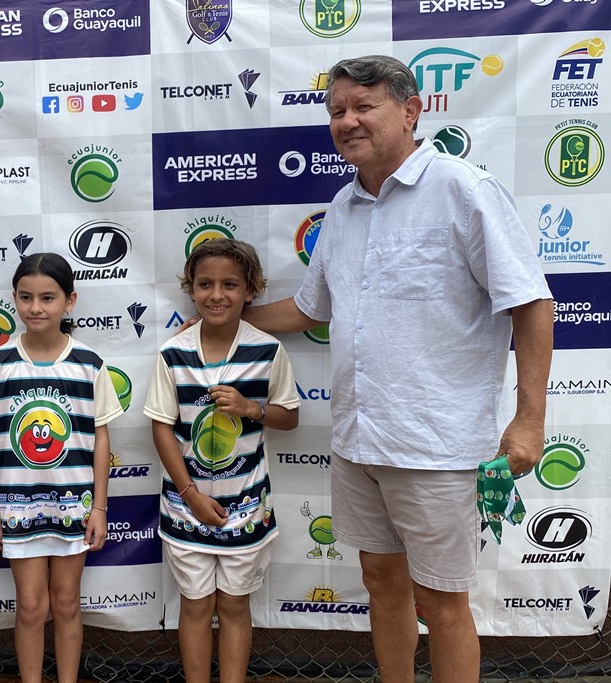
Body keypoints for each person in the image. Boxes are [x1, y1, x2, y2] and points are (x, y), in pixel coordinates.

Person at [243, 55, 554, 683]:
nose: (347, 121)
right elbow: (310, 309)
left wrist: (529, 419)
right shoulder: (343, 206)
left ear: (411, 111)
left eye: (364, 106)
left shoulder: (464, 189)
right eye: (337, 110)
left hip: (436, 446)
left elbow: (530, 302)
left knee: (442, 604)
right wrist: (225, 318)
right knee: (380, 581)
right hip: (358, 441)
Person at [144, 238, 300, 683]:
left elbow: (289, 417)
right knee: (195, 605)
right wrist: (190, 494)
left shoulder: (267, 350)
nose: (216, 295)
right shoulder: (172, 353)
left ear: (250, 291)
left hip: (246, 506)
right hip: (186, 506)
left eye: (230, 284)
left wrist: (251, 409)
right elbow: (161, 427)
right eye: (205, 284)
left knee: (234, 605)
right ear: (191, 289)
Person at [0, 253, 123, 683]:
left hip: (73, 505)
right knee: (30, 607)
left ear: (69, 300)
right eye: (26, 297)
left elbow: (101, 438)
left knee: (66, 604)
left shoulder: (90, 364)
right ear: (14, 299)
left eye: (48, 297)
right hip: (17, 507)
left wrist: (99, 508)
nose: (36, 307)